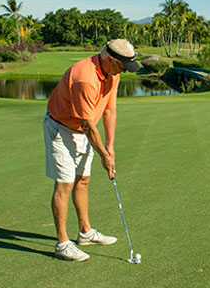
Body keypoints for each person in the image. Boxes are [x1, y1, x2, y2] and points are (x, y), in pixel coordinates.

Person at [44, 39, 139, 261]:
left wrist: (110, 147)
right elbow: (87, 124)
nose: (124, 72)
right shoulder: (84, 78)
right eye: (122, 66)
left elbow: (109, 110)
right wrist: (103, 157)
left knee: (83, 180)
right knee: (65, 183)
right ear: (109, 59)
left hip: (83, 131)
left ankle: (85, 233)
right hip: (61, 128)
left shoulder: (113, 74)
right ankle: (62, 243)